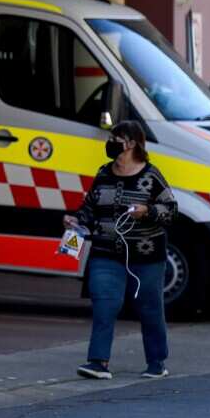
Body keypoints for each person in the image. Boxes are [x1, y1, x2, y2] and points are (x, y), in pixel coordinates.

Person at [64, 120, 176, 381]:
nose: (111, 143)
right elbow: (89, 207)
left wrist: (147, 211)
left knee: (149, 308)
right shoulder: (104, 173)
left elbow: (171, 211)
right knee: (105, 303)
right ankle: (98, 362)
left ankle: (157, 361)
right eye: (111, 137)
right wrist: (75, 220)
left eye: (117, 139)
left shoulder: (151, 176)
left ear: (133, 144)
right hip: (105, 251)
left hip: (146, 254)